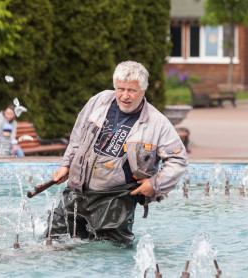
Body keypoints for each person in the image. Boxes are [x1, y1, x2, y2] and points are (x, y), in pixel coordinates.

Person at [46, 61, 188, 243]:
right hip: (77, 190)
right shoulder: (99, 100)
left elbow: (179, 160)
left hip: (115, 200)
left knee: (110, 254)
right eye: (120, 89)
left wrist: (155, 184)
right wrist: (66, 164)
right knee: (52, 241)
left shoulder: (158, 123)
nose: (125, 96)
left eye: (132, 90)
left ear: (143, 91)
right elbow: (77, 135)